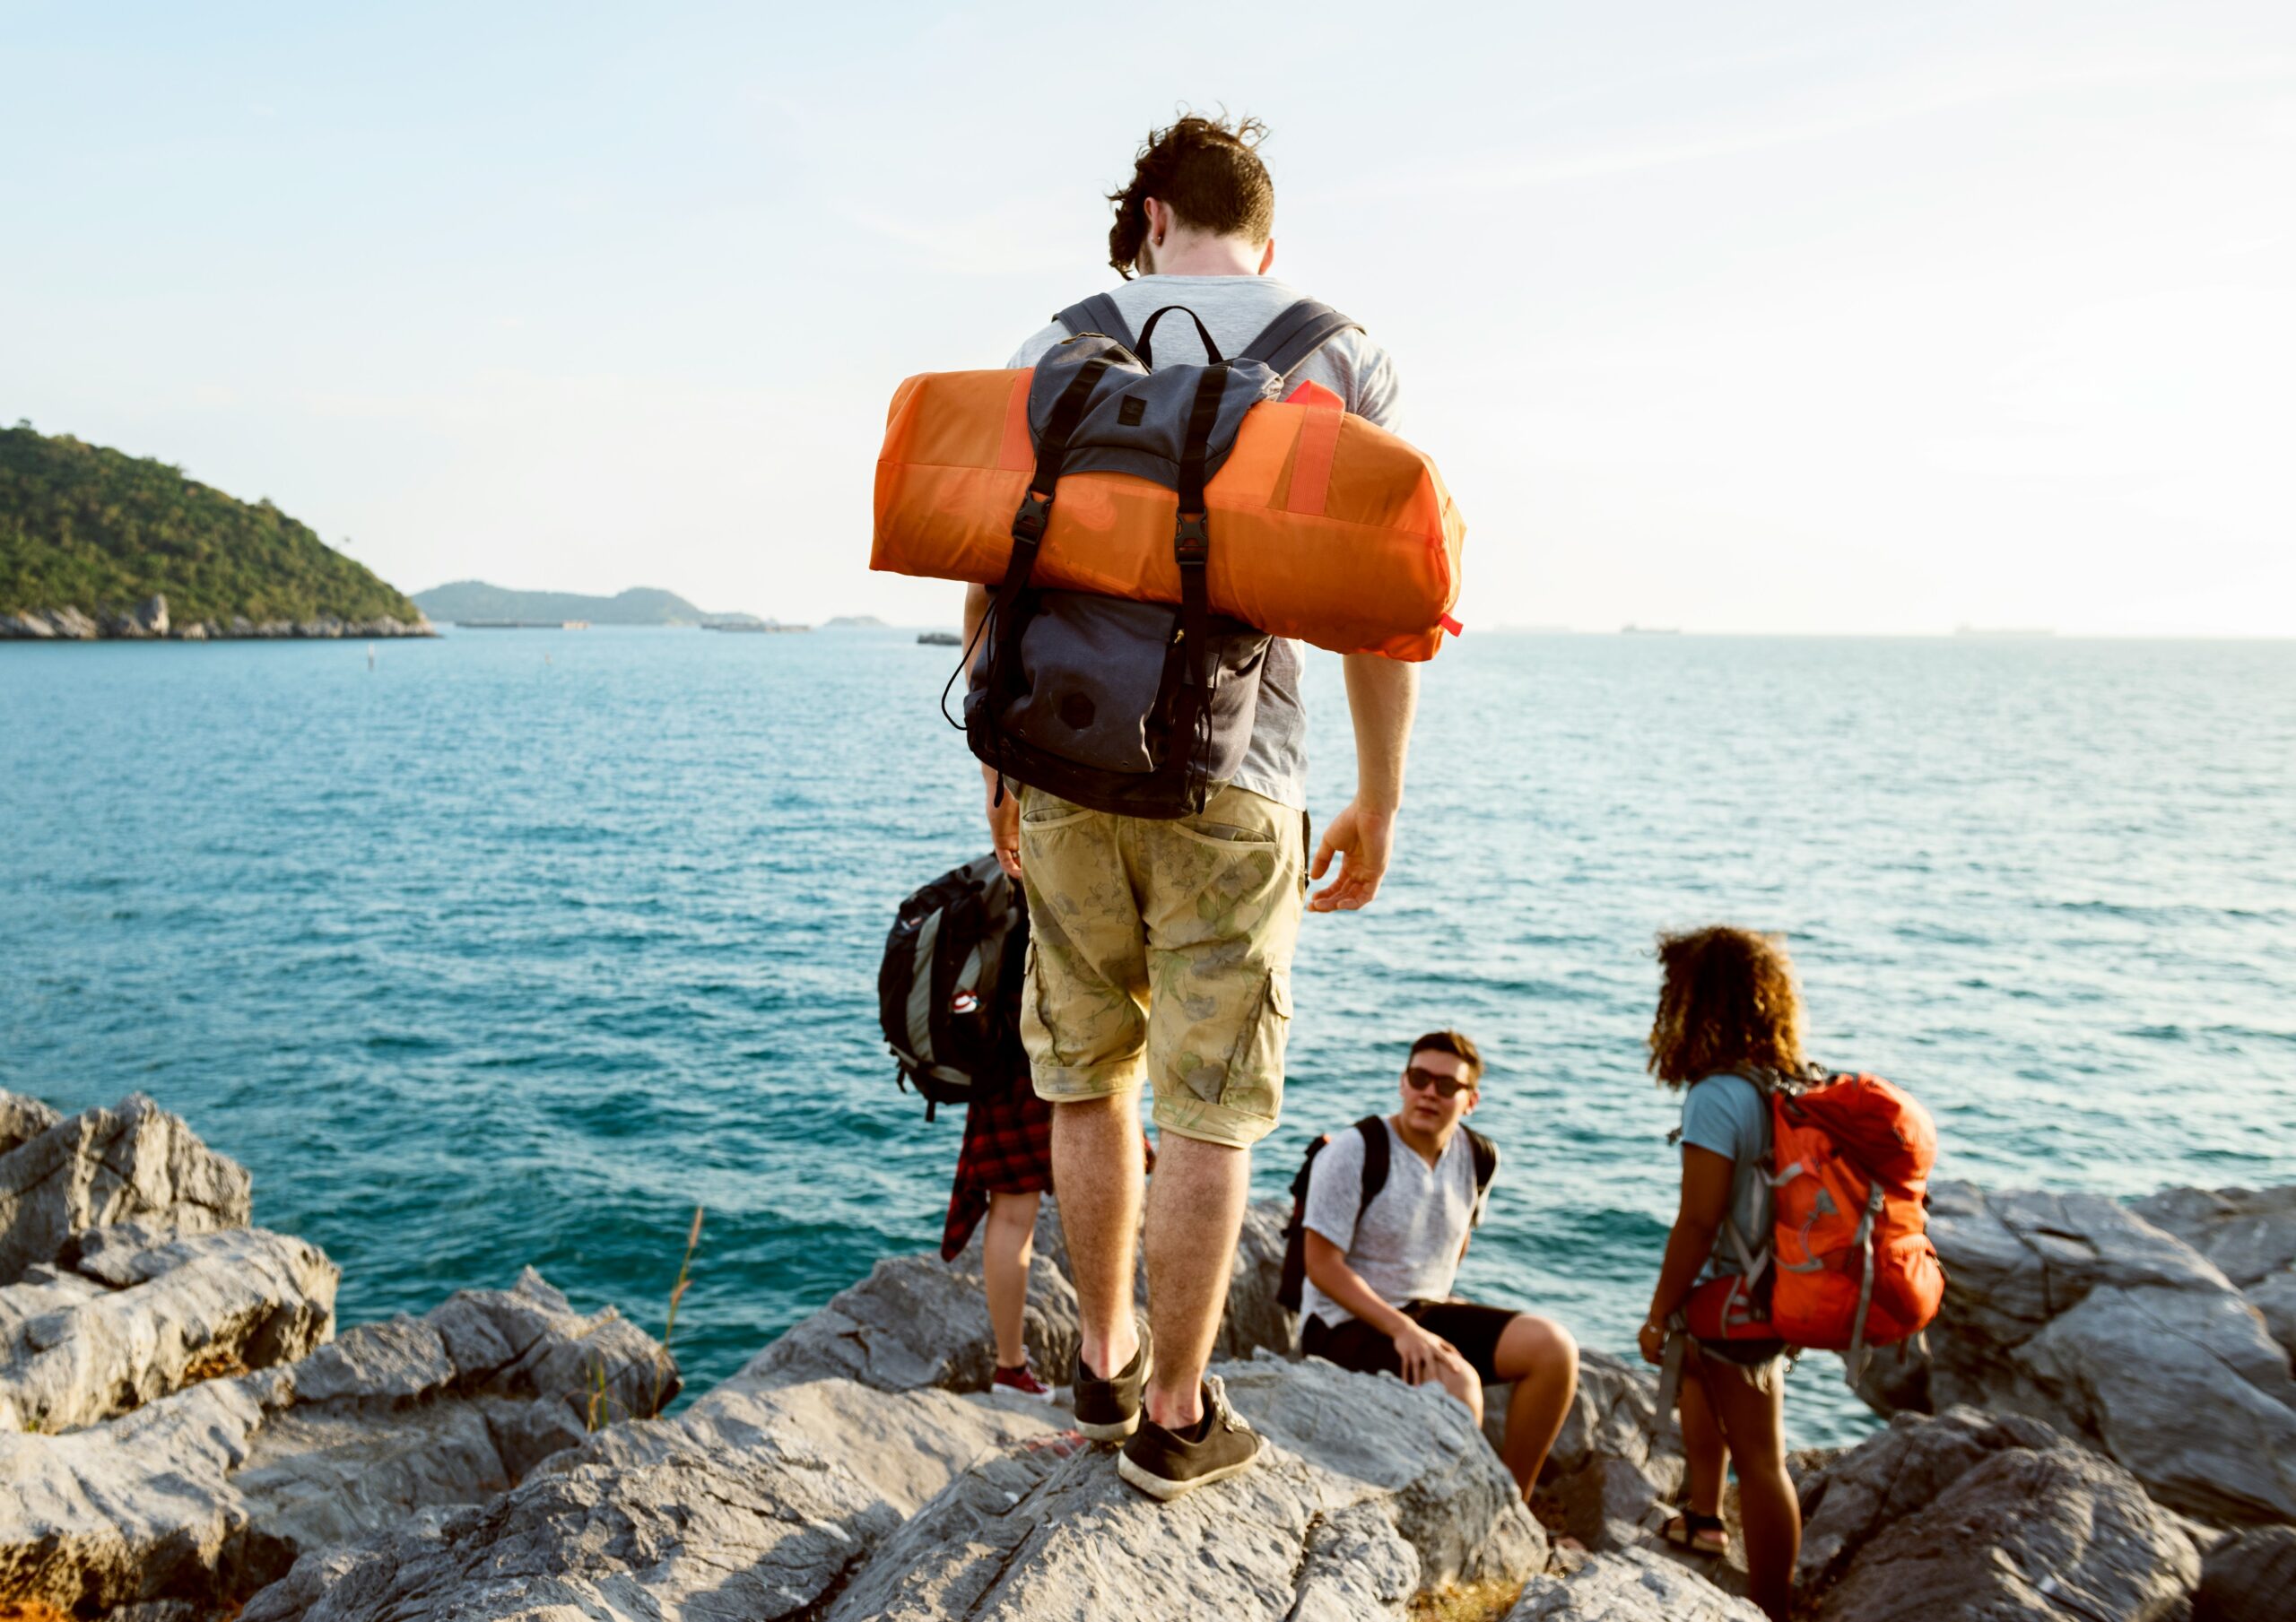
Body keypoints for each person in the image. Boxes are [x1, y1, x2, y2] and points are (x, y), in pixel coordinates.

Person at [965, 112, 1421, 1501]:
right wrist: (1379, 799)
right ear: (1264, 235)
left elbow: (993, 556)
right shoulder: (1337, 350)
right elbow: (1380, 610)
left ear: (1150, 215)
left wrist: (995, 761)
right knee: (1214, 1104)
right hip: (1243, 777)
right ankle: (1176, 1412)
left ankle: (1098, 1367)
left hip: (1060, 764)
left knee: (1085, 1068)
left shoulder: (1059, 342)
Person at [1296, 1030, 1579, 1497]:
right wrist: (1402, 1329)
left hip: (1423, 1308)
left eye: (1447, 1086)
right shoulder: (1353, 1150)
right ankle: (1449, 1510)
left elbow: (1457, 1237)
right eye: (1420, 1078)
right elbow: (1321, 1266)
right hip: (1341, 1324)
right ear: (1403, 1083)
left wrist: (1439, 1305)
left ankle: (1511, 1505)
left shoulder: (1478, 1156)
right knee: (1459, 1385)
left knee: (1554, 1349)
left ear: (1470, 1100)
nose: (1431, 1092)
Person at [1636, 927, 1805, 1622]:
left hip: (1738, 1293)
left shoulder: (1717, 1095)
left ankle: (1769, 1604)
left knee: (1762, 1457)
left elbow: (1699, 1220)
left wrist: (1656, 1310)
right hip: (1768, 1282)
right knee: (1701, 1379)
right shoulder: (1787, 1083)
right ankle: (1705, 1516)